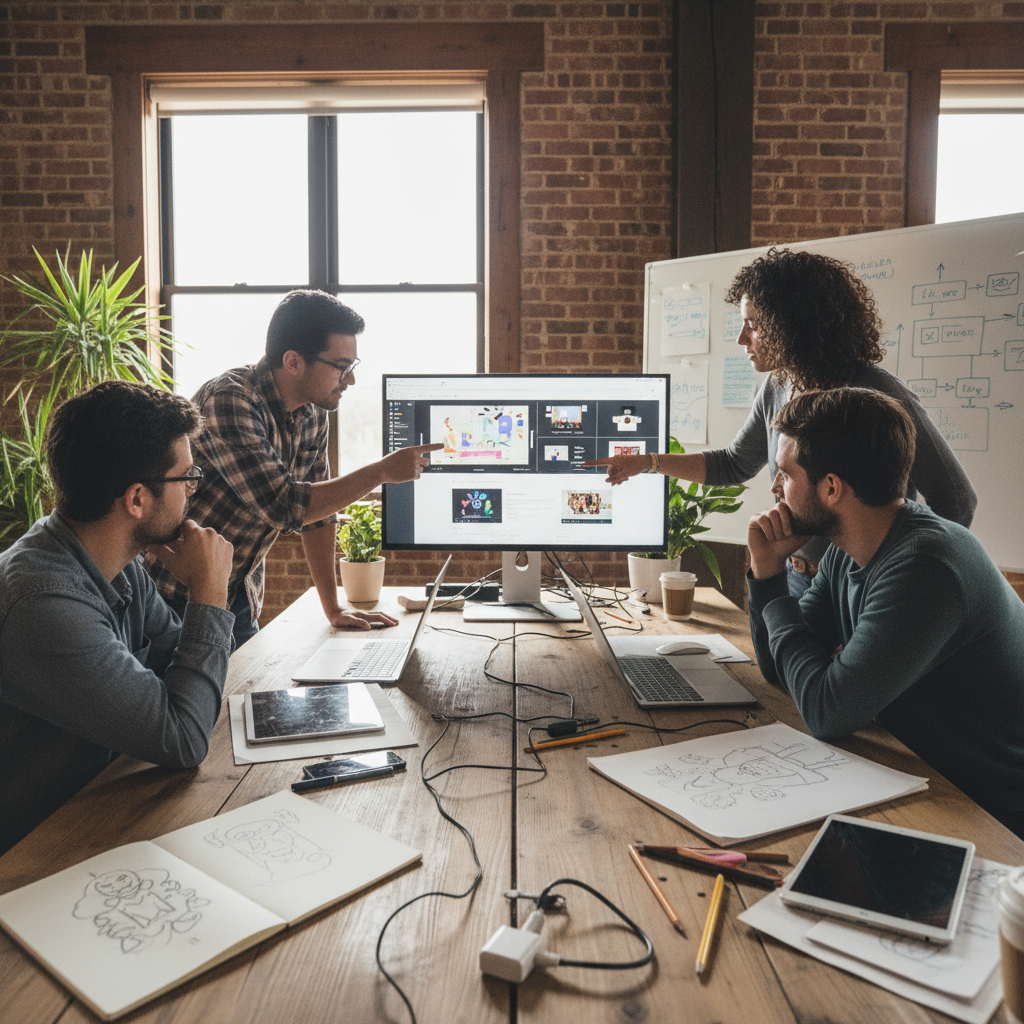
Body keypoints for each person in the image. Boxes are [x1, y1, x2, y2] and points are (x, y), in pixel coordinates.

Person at [585, 248, 978, 596]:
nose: (742, 338)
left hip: (861, 587)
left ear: (792, 326)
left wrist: (901, 579)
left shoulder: (876, 393)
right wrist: (648, 462)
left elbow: (956, 499)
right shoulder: (777, 384)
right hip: (795, 577)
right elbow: (733, 463)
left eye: (754, 325)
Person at [745, 388, 1024, 836]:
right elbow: (778, 667)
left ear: (831, 488)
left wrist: (776, 595)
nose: (775, 487)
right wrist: (767, 573)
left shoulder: (925, 566)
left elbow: (826, 713)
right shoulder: (847, 550)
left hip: (989, 813)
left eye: (785, 474)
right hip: (919, 776)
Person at [0, 381, 235, 854]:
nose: (193, 491)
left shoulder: (115, 561)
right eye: (186, 478)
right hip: (32, 857)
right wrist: (209, 593)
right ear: (137, 499)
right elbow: (183, 738)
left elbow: (178, 669)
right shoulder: (45, 604)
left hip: (95, 809)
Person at [146, 290, 441, 646]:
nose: (350, 380)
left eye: (352, 366)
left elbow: (317, 517)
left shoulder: (314, 411)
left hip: (238, 595)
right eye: (341, 366)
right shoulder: (229, 400)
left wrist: (333, 608)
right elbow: (285, 506)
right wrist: (381, 472)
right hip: (172, 598)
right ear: (293, 362)